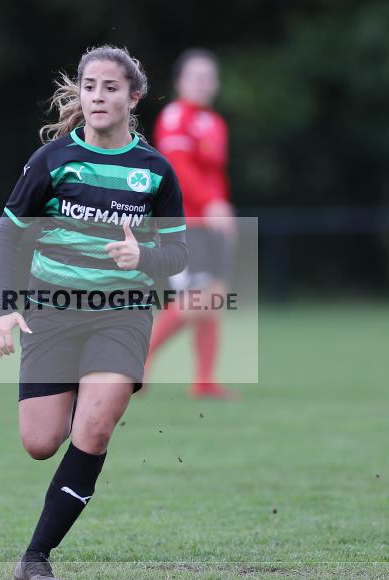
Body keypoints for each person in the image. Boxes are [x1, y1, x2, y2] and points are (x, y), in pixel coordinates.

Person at [0, 46, 187, 580]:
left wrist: (142, 257)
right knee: (40, 442)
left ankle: (35, 558)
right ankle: (87, 385)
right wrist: (0, 310)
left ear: (133, 97)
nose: (98, 96)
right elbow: (10, 234)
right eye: (90, 86)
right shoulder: (51, 160)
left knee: (94, 428)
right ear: (79, 93)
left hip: (122, 313)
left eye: (111, 88)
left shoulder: (154, 171)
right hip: (51, 312)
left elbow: (179, 253)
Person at [146, 49, 235, 399]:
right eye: (196, 76)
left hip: (211, 222)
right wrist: (212, 203)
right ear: (180, 81)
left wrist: (223, 209)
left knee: (211, 300)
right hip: (184, 221)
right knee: (200, 297)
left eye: (209, 76)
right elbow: (178, 167)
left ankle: (205, 381)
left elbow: (214, 176)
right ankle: (138, 360)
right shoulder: (174, 117)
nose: (203, 83)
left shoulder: (214, 122)